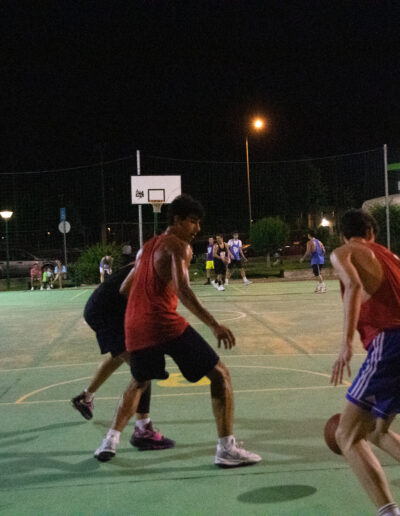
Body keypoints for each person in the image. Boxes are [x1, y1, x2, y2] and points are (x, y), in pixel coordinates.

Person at [94, 195, 261, 467]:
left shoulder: (146, 248)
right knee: (220, 374)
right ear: (177, 220)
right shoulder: (179, 247)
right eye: (193, 222)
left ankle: (109, 441)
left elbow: (124, 288)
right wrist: (214, 325)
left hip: (136, 326)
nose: (197, 229)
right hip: (163, 324)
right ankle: (226, 449)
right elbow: (183, 290)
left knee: (139, 381)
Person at [330, 209, 400, 516]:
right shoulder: (392, 257)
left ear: (344, 235)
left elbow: (354, 285)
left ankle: (388, 512)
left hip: (391, 343)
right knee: (377, 431)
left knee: (346, 434)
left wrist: (346, 342)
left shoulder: (343, 252)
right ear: (372, 233)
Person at [72, 262, 174, 451]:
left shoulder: (151, 260)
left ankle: (86, 398)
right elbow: (127, 292)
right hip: (107, 314)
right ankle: (143, 429)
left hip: (106, 309)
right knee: (144, 365)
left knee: (119, 356)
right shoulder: (153, 264)